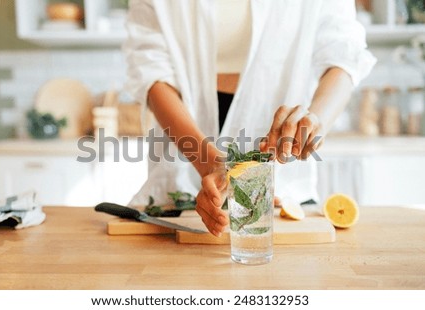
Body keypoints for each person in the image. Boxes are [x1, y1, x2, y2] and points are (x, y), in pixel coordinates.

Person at [123, 0, 376, 236]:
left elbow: (343, 54)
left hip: (284, 188)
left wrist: (316, 118)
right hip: (180, 167)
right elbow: (151, 68)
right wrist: (208, 162)